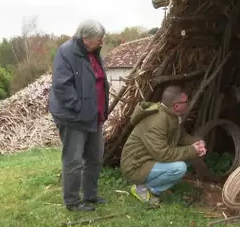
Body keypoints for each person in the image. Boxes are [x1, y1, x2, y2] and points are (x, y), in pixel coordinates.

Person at [48, 19, 110, 212]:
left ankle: (90, 196)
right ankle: (72, 202)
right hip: (74, 118)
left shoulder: (94, 53)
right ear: (85, 38)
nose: (102, 42)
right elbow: (62, 86)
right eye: (99, 39)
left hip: (94, 116)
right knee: (73, 160)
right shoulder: (66, 52)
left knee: (95, 157)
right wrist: (79, 108)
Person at [120, 85, 207, 206]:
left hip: (150, 158)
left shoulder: (171, 116)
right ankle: (144, 188)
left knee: (190, 156)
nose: (188, 104)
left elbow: (181, 137)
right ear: (176, 106)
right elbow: (163, 154)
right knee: (179, 168)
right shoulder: (157, 121)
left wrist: (196, 142)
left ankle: (158, 184)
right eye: (186, 102)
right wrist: (192, 150)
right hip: (136, 165)